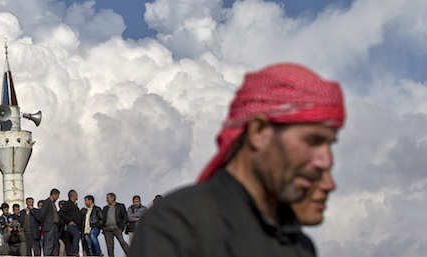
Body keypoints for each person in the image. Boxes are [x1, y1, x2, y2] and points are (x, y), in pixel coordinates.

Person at [128, 63, 346, 257]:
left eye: (330, 145)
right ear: (258, 132)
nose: (326, 161)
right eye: (312, 141)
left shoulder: (300, 245)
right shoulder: (178, 223)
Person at [58, 190, 82, 256]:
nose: (77, 196)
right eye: (76, 194)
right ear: (73, 195)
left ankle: (72, 254)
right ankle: (75, 251)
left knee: (71, 241)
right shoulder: (67, 204)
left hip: (76, 226)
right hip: (70, 226)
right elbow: (62, 213)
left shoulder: (74, 205)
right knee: (76, 235)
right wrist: (69, 221)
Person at [40, 189, 60, 256]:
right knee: (49, 244)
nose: (58, 197)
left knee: (54, 244)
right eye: (57, 195)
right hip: (49, 226)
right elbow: (42, 214)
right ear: (54, 194)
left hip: (54, 226)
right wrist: (43, 224)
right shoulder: (47, 202)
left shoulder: (52, 203)